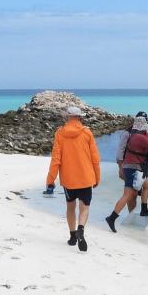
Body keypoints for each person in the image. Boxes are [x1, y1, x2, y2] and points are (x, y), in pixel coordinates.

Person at [44, 106, 101, 251]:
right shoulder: (87, 133)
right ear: (80, 118)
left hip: (69, 179)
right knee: (84, 207)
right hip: (86, 177)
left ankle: (72, 236)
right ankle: (81, 228)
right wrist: (97, 177)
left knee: (70, 207)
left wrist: (50, 180)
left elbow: (56, 159)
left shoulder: (59, 134)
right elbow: (95, 159)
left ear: (67, 117)